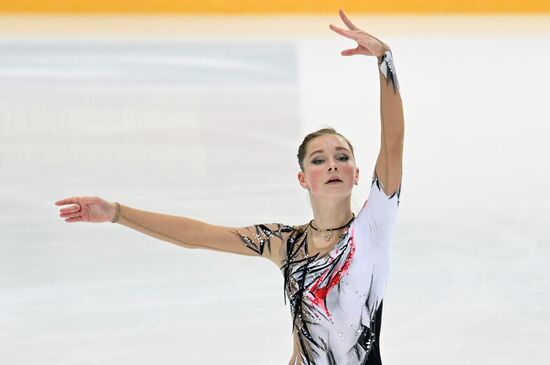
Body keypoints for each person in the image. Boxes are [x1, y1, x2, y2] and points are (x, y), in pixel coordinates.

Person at [55, 9, 404, 365]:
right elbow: (198, 235)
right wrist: (116, 213)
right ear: (303, 179)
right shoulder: (286, 243)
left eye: (342, 157)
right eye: (318, 159)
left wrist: (384, 60)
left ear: (357, 174)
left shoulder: (372, 228)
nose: (332, 164)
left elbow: (392, 142)